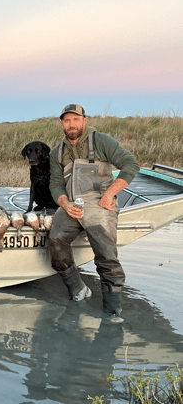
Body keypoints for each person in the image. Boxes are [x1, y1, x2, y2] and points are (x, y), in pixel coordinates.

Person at [48, 104, 140, 319]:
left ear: (85, 120)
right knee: (55, 239)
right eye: (67, 120)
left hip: (100, 203)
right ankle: (78, 289)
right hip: (73, 206)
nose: (72, 124)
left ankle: (112, 311)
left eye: (76, 119)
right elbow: (55, 184)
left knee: (106, 257)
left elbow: (131, 164)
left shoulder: (101, 140)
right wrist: (64, 203)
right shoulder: (57, 152)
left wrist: (110, 194)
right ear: (61, 124)